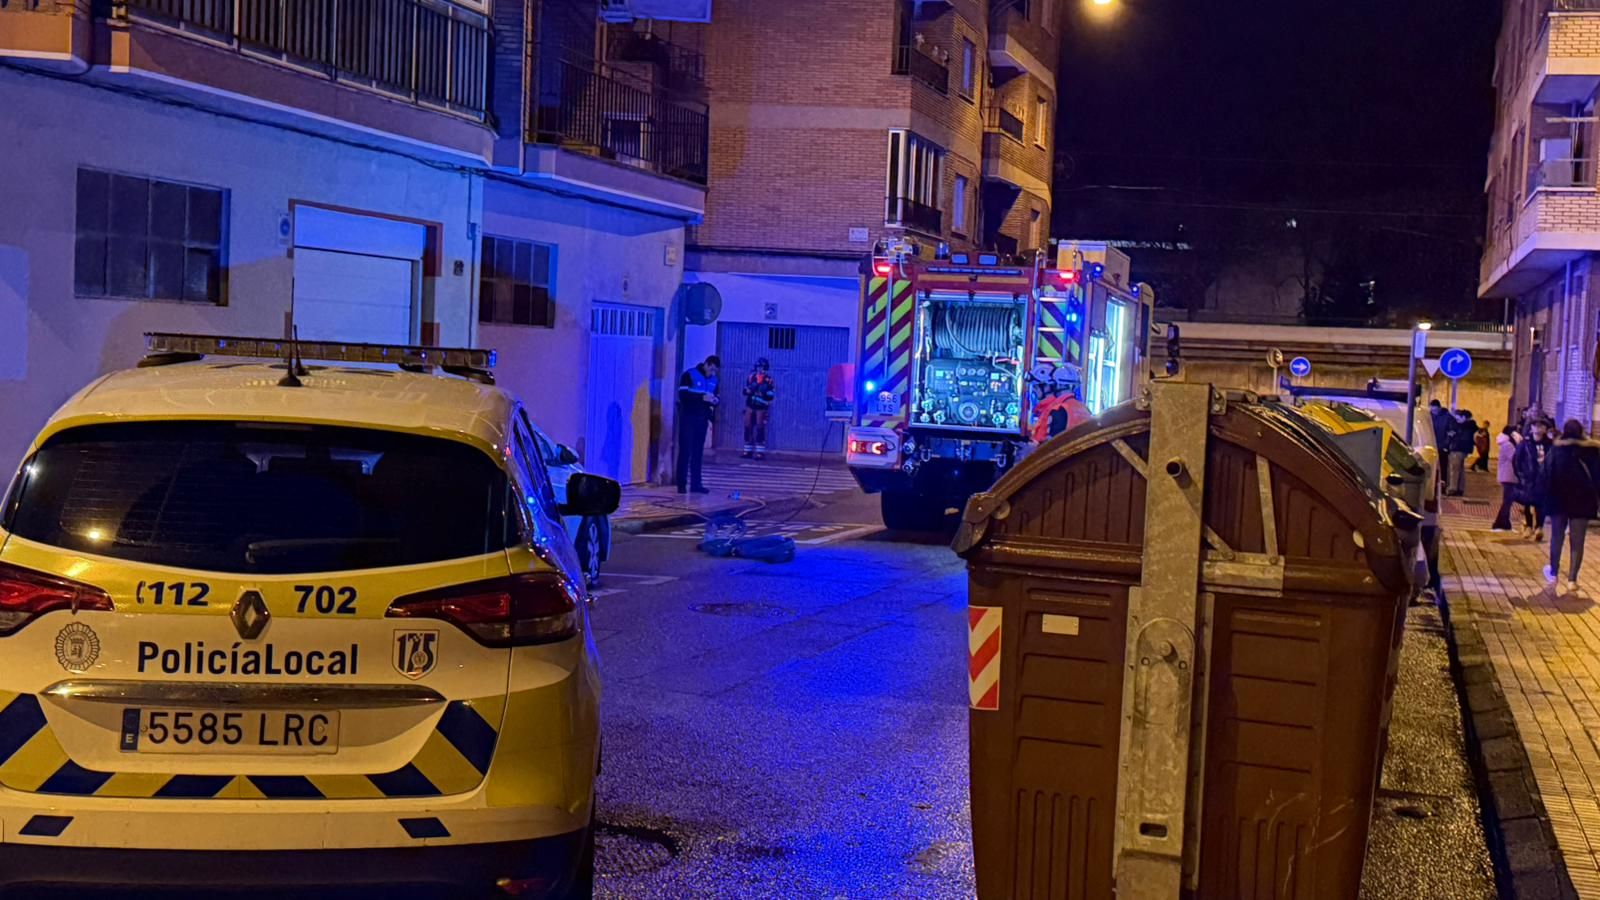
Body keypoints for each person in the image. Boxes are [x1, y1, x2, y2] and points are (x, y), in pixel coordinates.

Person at [1543, 419, 1600, 594]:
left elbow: (1547, 473)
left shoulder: (1557, 449)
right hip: (1583, 501)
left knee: (1556, 537)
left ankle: (1553, 573)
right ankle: (1572, 580)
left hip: (1558, 500)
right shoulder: (1591, 450)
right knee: (1577, 541)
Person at [675, 355, 721, 494]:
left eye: (715, 371)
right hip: (688, 417)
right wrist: (701, 397)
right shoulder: (689, 375)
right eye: (711, 369)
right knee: (685, 451)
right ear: (706, 364)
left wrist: (715, 401)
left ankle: (696, 484)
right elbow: (683, 395)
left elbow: (717, 396)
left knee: (698, 452)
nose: (712, 373)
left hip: (702, 419)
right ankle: (681, 484)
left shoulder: (714, 380)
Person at [1515, 419, 1555, 541]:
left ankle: (1539, 527)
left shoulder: (1549, 444)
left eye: (1541, 426)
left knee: (1541, 504)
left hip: (1543, 479)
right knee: (1527, 503)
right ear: (1531, 428)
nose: (1537, 429)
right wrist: (1520, 475)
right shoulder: (1525, 443)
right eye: (1535, 426)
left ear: (1545, 429)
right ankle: (1528, 526)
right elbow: (1517, 460)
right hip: (1528, 478)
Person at [741, 358, 776, 460]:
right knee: (747, 427)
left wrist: (763, 394)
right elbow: (745, 391)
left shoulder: (769, 380)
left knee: (760, 428)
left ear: (766, 368)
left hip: (761, 407)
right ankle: (747, 451)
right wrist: (748, 390)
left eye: (762, 367)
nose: (760, 369)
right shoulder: (751, 377)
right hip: (750, 405)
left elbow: (771, 395)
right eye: (758, 367)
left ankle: (760, 453)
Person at [1491, 426, 1521, 532]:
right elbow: (1515, 458)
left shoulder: (1506, 444)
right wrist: (1519, 444)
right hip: (1508, 476)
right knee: (1507, 501)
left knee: (1508, 500)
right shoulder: (1508, 445)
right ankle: (1500, 522)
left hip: (1508, 476)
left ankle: (1504, 522)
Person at [1447, 408, 1476, 496]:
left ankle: (1453, 488)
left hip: (1458, 449)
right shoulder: (1470, 426)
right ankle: (1460, 488)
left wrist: (1453, 435)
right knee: (1460, 469)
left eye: (1458, 418)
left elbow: (1462, 438)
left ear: (1464, 417)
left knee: (1454, 469)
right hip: (1463, 450)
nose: (1457, 420)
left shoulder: (1464, 427)